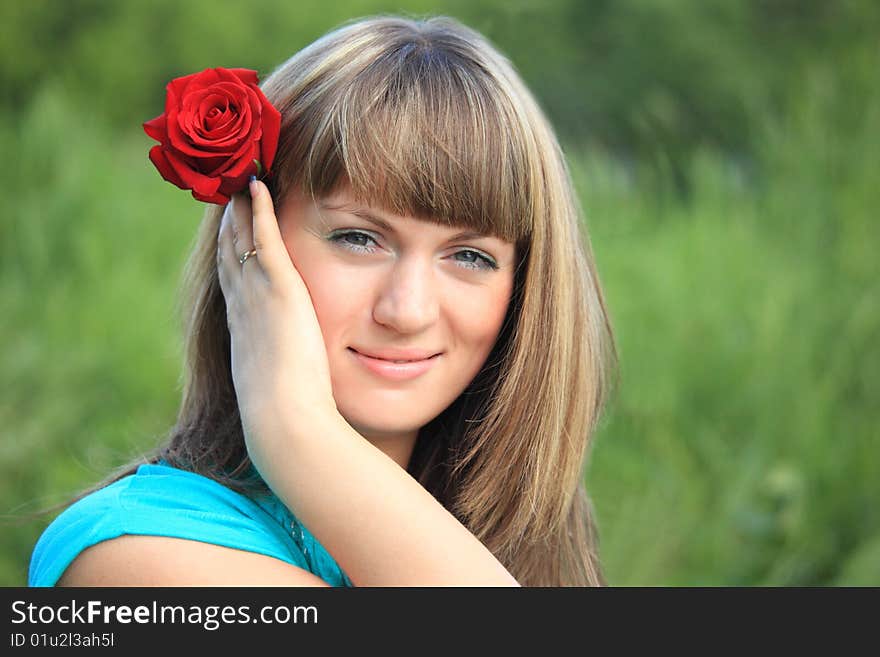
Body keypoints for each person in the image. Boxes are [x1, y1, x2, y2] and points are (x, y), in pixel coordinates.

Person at [28, 14, 617, 587]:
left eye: (469, 256)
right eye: (359, 239)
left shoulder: (516, 541)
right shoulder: (138, 558)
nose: (407, 311)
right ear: (250, 239)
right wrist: (294, 427)